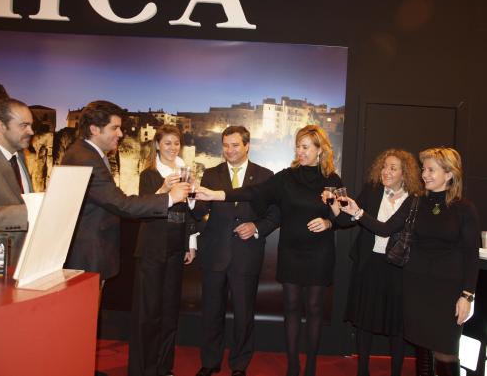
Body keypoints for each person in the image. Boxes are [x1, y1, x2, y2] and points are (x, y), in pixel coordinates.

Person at [197, 125, 343, 376]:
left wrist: (330, 221)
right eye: (298, 146)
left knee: (316, 309)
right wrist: (219, 194)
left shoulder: (332, 180)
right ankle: (293, 367)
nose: (300, 151)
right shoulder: (286, 177)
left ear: (320, 150)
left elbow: (346, 218)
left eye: (305, 147)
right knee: (292, 309)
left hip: (319, 253)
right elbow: (253, 192)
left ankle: (310, 367)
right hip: (290, 252)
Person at [339, 147, 480, 376]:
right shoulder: (416, 202)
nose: (425, 174)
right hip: (415, 287)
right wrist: (358, 213)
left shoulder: (464, 209)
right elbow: (385, 229)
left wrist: (467, 295)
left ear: (450, 174)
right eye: (424, 169)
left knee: (446, 352)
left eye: (431, 170)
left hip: (447, 293)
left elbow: (471, 256)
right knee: (422, 350)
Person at [62, 101, 189, 283]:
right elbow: (121, 203)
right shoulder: (85, 158)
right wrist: (169, 197)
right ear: (95, 129)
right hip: (87, 253)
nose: (120, 134)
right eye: (115, 128)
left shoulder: (88, 154)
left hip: (93, 250)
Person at [193, 126, 280, 376]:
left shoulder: (265, 176)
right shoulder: (210, 174)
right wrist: (192, 202)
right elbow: (199, 212)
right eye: (225, 145)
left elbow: (275, 214)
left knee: (243, 315)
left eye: (235, 145)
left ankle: (239, 365)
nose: (229, 150)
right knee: (211, 314)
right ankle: (209, 363)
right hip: (214, 254)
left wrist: (256, 227)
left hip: (246, 254)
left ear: (247, 146)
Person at [332, 149, 423, 376]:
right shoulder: (372, 191)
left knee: (396, 326)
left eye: (393, 168)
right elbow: (345, 221)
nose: (386, 171)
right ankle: (362, 370)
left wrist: (359, 212)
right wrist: (333, 204)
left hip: (397, 268)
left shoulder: (413, 200)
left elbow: (386, 229)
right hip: (369, 264)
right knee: (364, 321)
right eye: (384, 166)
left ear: (405, 173)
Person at [129, 124, 198, 376]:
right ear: (157, 145)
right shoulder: (149, 174)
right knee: (148, 314)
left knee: (170, 312)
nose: (172, 147)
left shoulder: (185, 173)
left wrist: (191, 243)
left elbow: (190, 213)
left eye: (176, 143)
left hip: (177, 248)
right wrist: (164, 190)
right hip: (151, 249)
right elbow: (144, 210)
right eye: (167, 143)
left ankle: (164, 367)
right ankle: (143, 369)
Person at [0, 97, 34, 265]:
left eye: (31, 125)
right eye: (24, 126)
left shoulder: (19, 154)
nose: (31, 131)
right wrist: (30, 212)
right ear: (1, 126)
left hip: (22, 259)